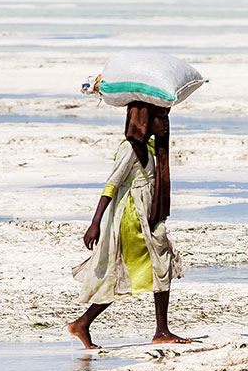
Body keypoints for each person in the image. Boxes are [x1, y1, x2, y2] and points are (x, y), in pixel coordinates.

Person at [69, 101, 193, 348]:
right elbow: (111, 185)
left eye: (167, 118)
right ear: (145, 122)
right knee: (124, 273)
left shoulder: (149, 147)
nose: (166, 124)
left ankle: (159, 330)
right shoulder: (129, 149)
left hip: (147, 218)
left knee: (161, 265)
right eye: (161, 118)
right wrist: (96, 223)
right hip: (130, 221)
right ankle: (84, 323)